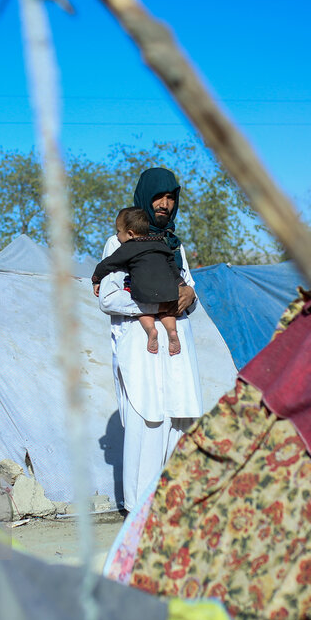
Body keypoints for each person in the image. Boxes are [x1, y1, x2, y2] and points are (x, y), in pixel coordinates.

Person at [97, 167, 203, 510]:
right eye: (159, 196)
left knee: (179, 418)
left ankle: (173, 503)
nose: (166, 203)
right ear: (145, 196)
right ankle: (138, 508)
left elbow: (187, 286)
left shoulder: (174, 243)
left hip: (176, 344)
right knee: (147, 421)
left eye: (171, 197)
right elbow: (109, 297)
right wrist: (160, 300)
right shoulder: (120, 241)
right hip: (141, 348)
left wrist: (188, 295)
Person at [91, 207, 183, 355]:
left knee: (142, 309)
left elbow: (109, 263)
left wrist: (96, 279)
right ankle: (172, 332)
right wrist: (180, 283)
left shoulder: (129, 247)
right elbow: (172, 264)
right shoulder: (161, 243)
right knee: (168, 311)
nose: (117, 235)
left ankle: (150, 330)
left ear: (130, 233)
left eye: (118, 232)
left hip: (144, 291)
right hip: (167, 289)